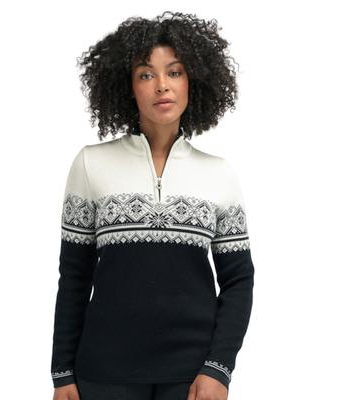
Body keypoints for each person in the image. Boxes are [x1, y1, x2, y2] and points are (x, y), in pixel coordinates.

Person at [51, 11, 255, 400]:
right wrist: (62, 373)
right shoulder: (91, 164)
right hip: (103, 373)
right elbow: (74, 276)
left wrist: (219, 368)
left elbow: (239, 280)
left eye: (174, 72)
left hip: (192, 376)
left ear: (193, 80)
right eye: (146, 75)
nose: (162, 85)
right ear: (128, 87)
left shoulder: (219, 174)